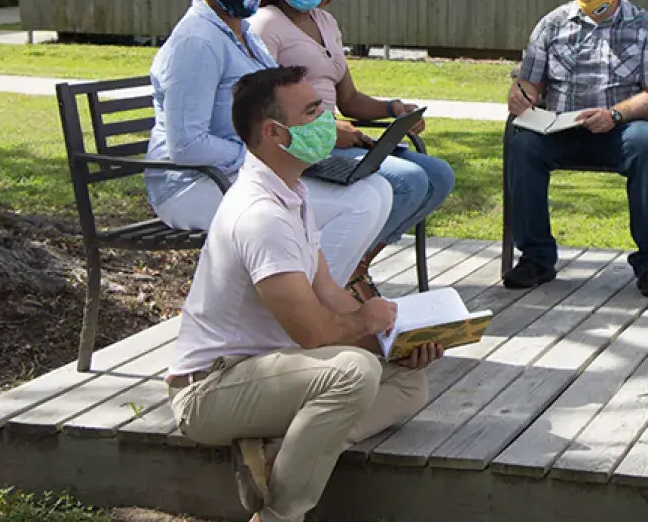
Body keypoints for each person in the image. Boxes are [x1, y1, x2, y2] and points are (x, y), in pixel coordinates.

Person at [166, 66, 442, 522]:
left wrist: (396, 340)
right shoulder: (261, 215)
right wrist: (368, 322)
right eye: (314, 113)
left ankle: (276, 453)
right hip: (210, 390)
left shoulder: (291, 192)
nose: (327, 122)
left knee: (407, 381)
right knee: (352, 371)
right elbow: (314, 333)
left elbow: (329, 294)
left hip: (266, 372)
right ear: (275, 132)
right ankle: (279, 515)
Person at [145, 0, 391, 286]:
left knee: (376, 188)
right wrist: (270, 156)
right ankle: (300, 311)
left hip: (242, 172)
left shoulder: (243, 32)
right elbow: (186, 146)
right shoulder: (197, 41)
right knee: (357, 205)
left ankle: (308, 305)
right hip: (193, 185)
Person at [251, 0, 455, 286]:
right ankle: (332, 278)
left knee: (438, 175)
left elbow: (349, 100)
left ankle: (356, 265)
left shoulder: (325, 22)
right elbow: (266, 105)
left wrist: (393, 109)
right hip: (304, 143)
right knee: (407, 181)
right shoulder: (266, 24)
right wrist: (327, 128)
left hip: (340, 137)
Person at [505, 0, 648, 298]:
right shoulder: (552, 25)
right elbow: (529, 81)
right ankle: (536, 258)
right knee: (523, 145)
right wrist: (521, 95)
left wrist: (615, 115)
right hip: (561, 129)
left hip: (619, 130)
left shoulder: (645, 27)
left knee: (646, 142)